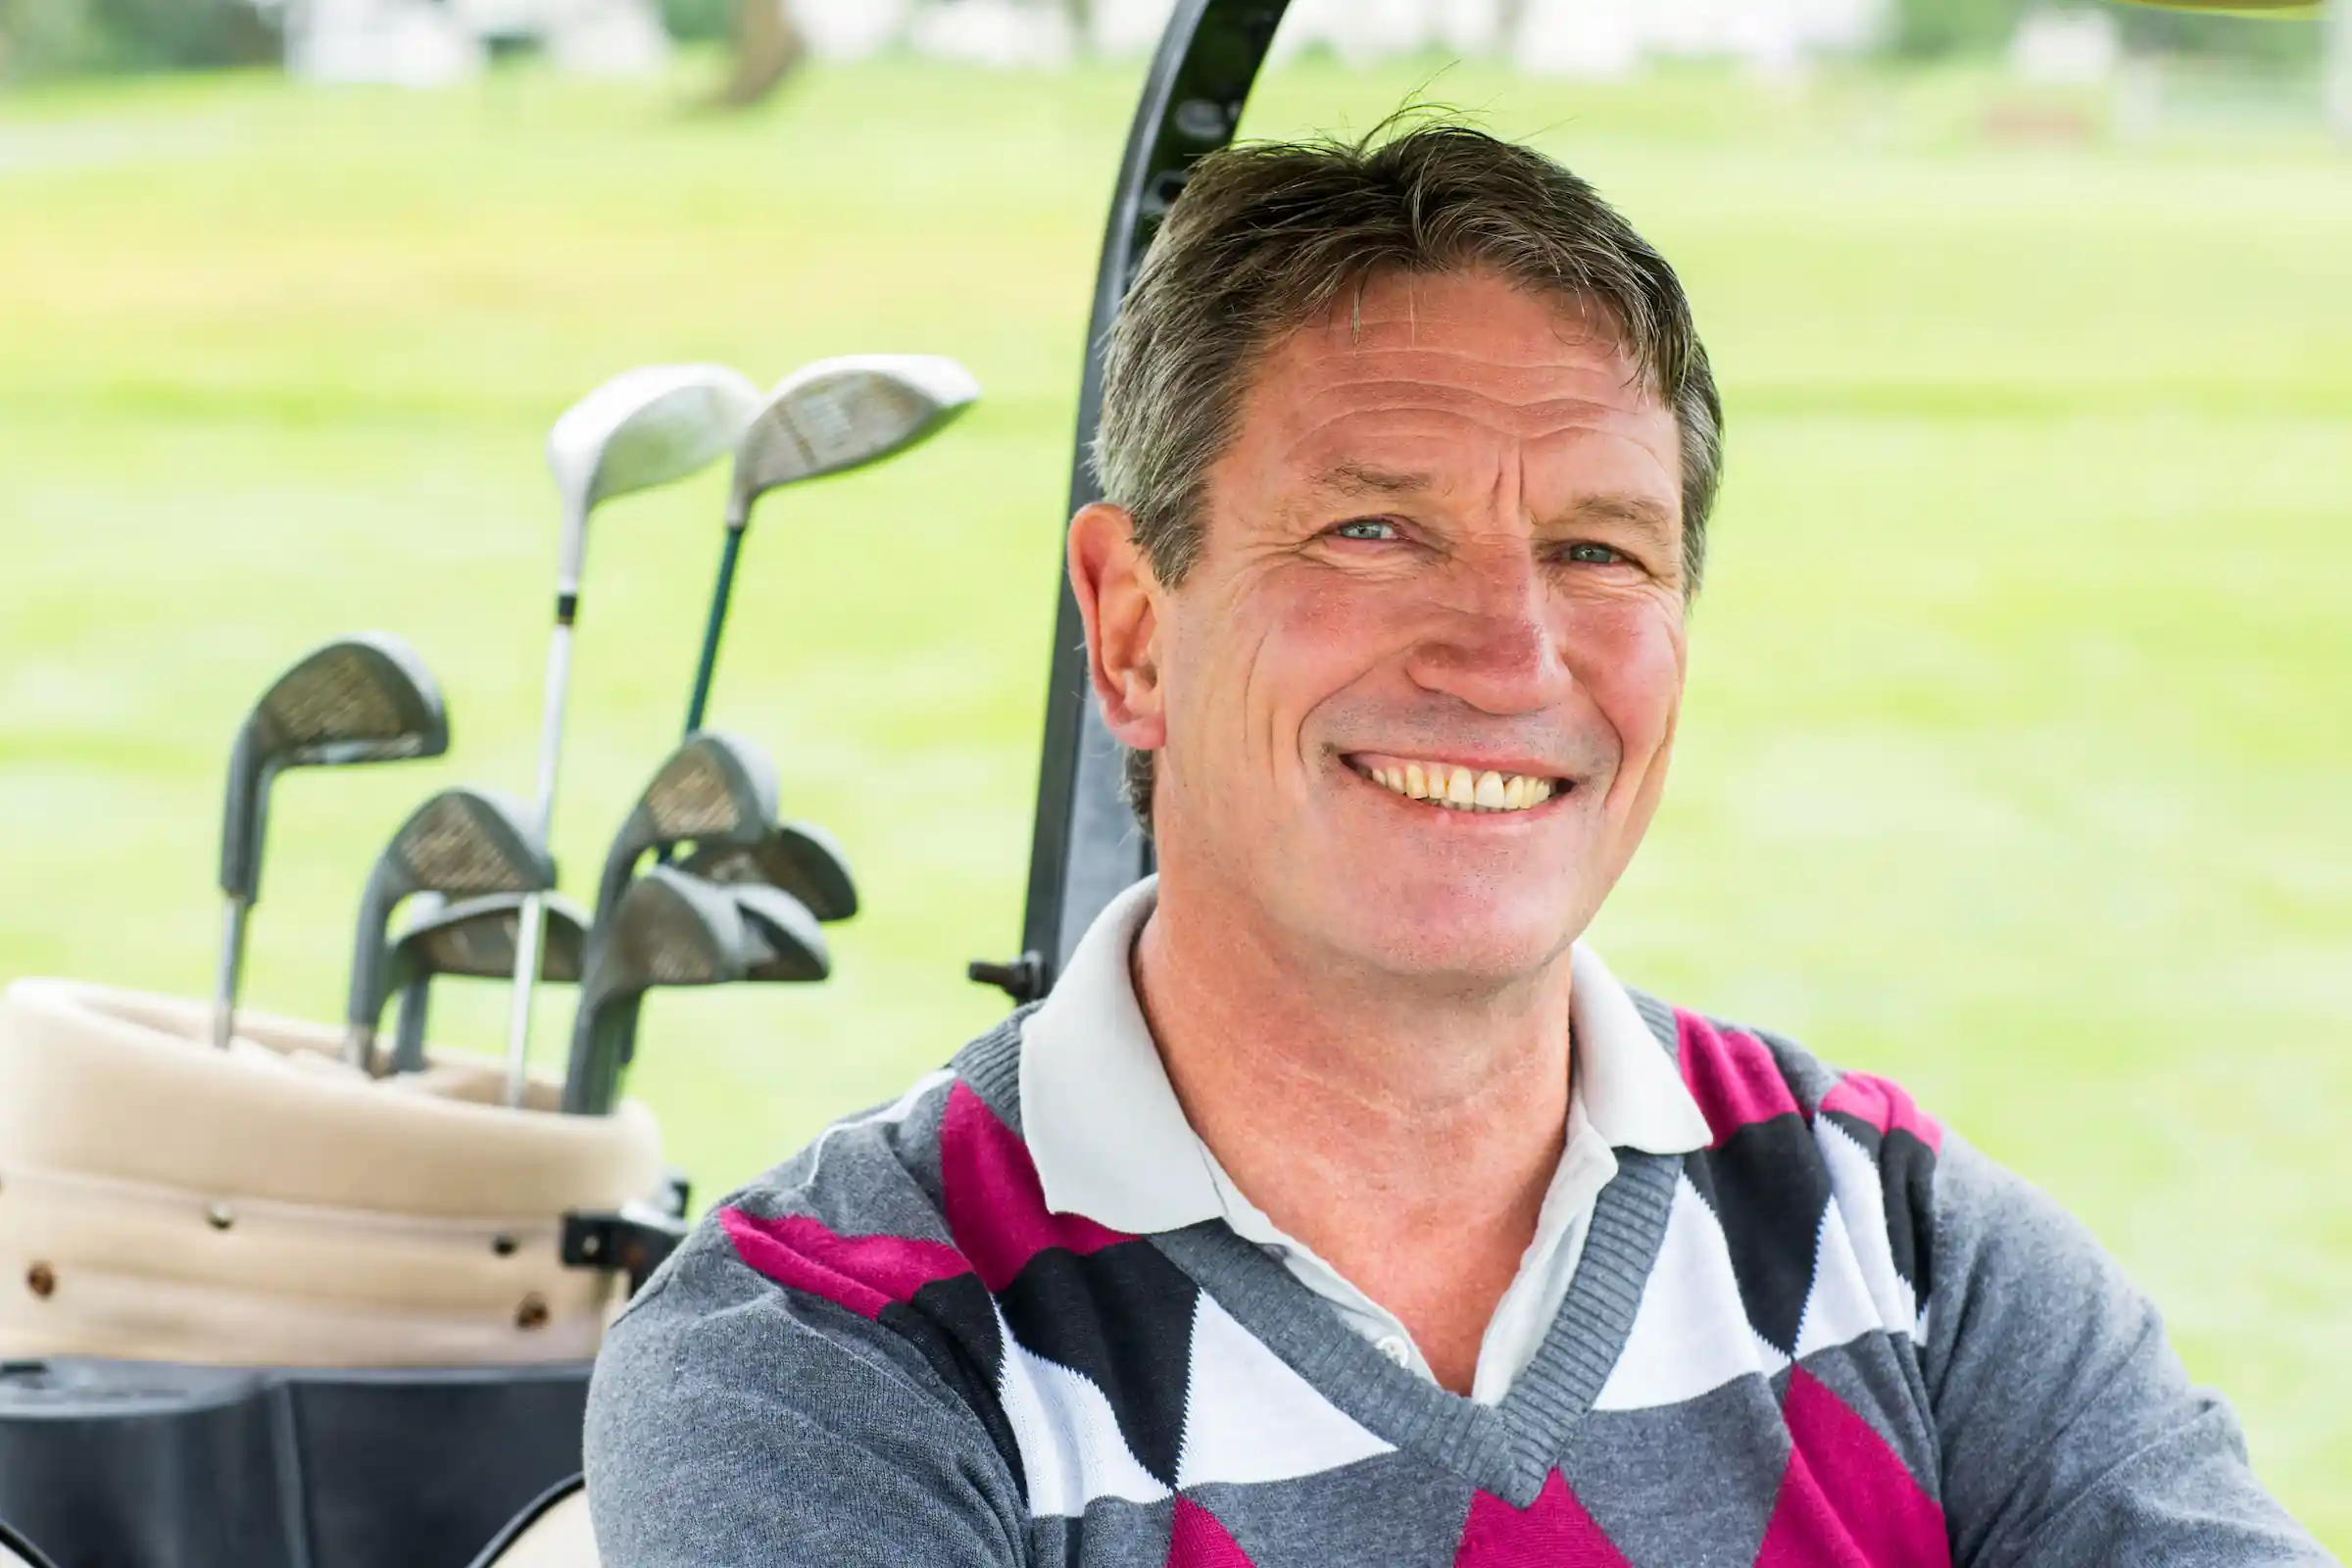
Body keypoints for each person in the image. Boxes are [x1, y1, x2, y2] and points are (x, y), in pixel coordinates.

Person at [585, 122, 2329, 1565]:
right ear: (1130, 630)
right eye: (1371, 528)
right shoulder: (822, 1363)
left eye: (1599, 551)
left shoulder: (1908, 1252)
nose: (1508, 653)